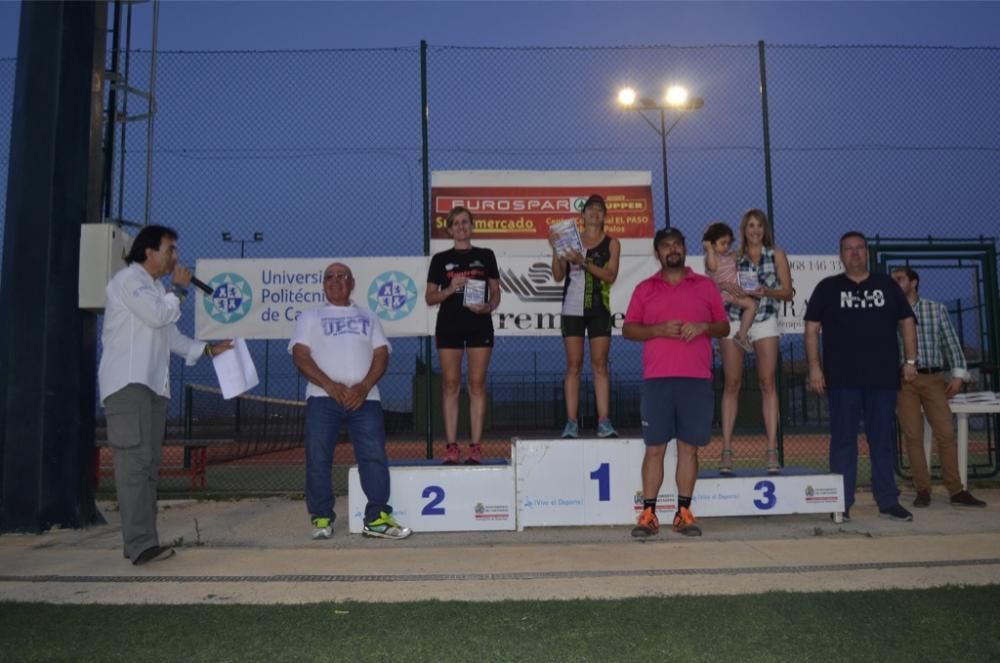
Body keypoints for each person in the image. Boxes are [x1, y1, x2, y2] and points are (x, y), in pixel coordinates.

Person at [99, 225, 232, 565]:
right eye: (170, 249)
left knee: (149, 466)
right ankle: (141, 544)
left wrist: (207, 351)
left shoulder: (155, 288)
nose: (175, 257)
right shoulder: (129, 281)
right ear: (149, 252)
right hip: (129, 386)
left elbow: (170, 335)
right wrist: (180, 290)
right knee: (134, 465)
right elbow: (160, 315)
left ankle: (144, 541)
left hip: (154, 388)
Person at [290, 262, 412, 540]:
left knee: (374, 457)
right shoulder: (309, 317)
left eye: (341, 276)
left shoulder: (369, 316)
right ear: (323, 284)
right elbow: (300, 355)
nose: (335, 281)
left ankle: (377, 519)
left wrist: (363, 387)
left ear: (352, 282)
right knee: (318, 459)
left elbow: (382, 355)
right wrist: (330, 386)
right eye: (329, 277)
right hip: (322, 399)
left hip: (365, 400)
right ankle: (321, 517)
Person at [624, 228, 730, 539]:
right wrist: (656, 330)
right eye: (666, 246)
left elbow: (723, 327)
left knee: (688, 449)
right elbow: (629, 330)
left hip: (696, 379)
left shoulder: (705, 286)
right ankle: (648, 514)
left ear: (684, 249)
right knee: (654, 448)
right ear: (657, 254)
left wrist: (703, 326)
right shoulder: (645, 288)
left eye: (677, 244)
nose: (672, 249)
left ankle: (683, 513)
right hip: (657, 379)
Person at [805, 232, 918, 522]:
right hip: (842, 379)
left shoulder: (886, 285)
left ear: (866, 252)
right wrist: (815, 367)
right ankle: (841, 502)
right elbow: (811, 328)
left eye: (859, 248)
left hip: (882, 378)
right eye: (848, 249)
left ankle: (888, 501)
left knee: (881, 441)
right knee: (843, 441)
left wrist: (910, 361)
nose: (854, 253)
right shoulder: (827, 287)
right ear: (840, 255)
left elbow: (906, 321)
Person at [890, 267, 986, 508]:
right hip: (905, 382)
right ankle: (923, 490)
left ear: (914, 282)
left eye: (899, 278)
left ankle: (956, 491)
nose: (895, 282)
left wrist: (957, 375)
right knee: (912, 437)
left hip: (934, 378)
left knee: (946, 434)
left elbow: (950, 341)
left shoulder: (936, 308)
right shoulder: (889, 312)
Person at [717, 209, 793, 476]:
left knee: (767, 381)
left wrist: (767, 291)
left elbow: (788, 291)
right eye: (751, 225)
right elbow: (719, 288)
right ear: (743, 229)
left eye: (759, 225)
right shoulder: (732, 257)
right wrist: (731, 289)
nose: (755, 230)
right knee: (732, 382)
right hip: (735, 319)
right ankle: (726, 449)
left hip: (765, 319)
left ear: (765, 229)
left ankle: (772, 449)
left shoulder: (777, 255)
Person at [425, 206, 501, 465]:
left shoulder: (485, 255)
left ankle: (476, 447)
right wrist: (449, 289)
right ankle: (451, 447)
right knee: (450, 384)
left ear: (471, 226)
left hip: (479, 324)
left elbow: (496, 292)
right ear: (449, 229)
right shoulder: (439, 259)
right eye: (455, 223)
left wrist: (488, 306)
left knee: (477, 384)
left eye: (465, 222)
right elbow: (429, 297)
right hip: (449, 325)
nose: (461, 226)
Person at [550, 194, 621, 438]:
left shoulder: (612, 243)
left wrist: (584, 261)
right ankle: (571, 422)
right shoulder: (572, 240)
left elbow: (610, 276)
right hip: (572, 309)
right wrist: (556, 250)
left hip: (599, 309)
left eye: (599, 210)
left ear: (604, 216)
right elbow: (559, 276)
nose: (594, 213)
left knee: (600, 366)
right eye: (590, 209)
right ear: (583, 215)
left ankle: (604, 421)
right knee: (573, 366)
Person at [702, 221, 759, 352]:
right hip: (724, 295)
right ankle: (741, 336)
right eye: (723, 243)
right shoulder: (712, 258)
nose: (726, 246)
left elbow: (742, 251)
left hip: (732, 293)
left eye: (728, 243)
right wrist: (709, 248)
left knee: (750, 306)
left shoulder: (728, 256)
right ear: (712, 242)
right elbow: (711, 267)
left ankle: (721, 342)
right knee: (751, 305)